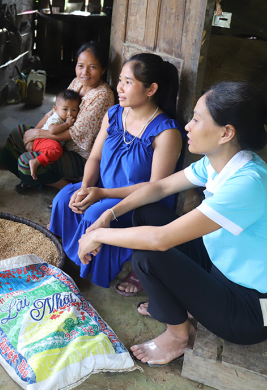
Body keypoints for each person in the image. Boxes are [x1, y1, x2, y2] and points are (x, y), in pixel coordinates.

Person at [77, 81, 267, 366]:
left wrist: (99, 235)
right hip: (224, 271)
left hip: (252, 312)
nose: (188, 126)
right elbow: (158, 188)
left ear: (226, 133)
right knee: (148, 212)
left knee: (148, 255)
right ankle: (184, 309)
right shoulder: (222, 162)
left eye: (196, 119)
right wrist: (109, 215)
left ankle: (179, 336)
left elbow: (161, 240)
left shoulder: (246, 183)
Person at [50, 53, 183, 292]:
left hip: (140, 202)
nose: (119, 88)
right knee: (63, 199)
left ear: (151, 88)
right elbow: (96, 157)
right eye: (120, 79)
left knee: (94, 214)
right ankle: (66, 253)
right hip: (103, 188)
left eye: (128, 82)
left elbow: (155, 188)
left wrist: (101, 193)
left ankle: (86, 268)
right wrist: (84, 188)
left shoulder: (166, 133)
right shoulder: (114, 114)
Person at [1, 42, 115, 192]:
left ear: (103, 69)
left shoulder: (102, 95)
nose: (85, 72)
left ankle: (68, 190)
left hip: (80, 155)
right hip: (58, 144)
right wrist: (32, 136)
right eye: (80, 66)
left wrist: (38, 133)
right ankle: (36, 180)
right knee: (18, 133)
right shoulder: (77, 82)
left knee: (25, 161)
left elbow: (76, 134)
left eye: (92, 67)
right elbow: (55, 112)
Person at [27, 89, 81, 179]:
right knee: (56, 150)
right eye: (65, 109)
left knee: (56, 150)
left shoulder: (65, 118)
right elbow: (52, 130)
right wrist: (67, 124)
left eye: (74, 110)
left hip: (47, 142)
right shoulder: (56, 118)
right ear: (55, 109)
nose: (69, 113)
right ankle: (35, 161)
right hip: (42, 140)